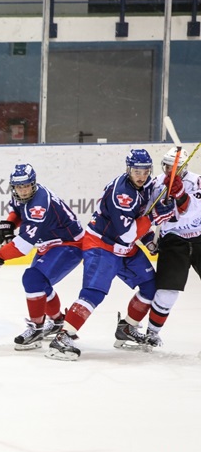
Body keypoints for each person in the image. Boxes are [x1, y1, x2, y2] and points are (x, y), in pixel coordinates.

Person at [46, 149, 178, 361]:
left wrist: (149, 240)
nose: (141, 176)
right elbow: (127, 233)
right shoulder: (122, 194)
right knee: (93, 293)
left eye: (145, 171)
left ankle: (127, 328)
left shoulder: (146, 186)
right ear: (128, 169)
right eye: (137, 171)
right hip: (102, 245)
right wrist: (154, 217)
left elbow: (138, 218)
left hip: (124, 247)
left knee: (150, 286)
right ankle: (63, 337)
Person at [0, 164, 84, 350]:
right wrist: (9, 224)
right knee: (40, 284)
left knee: (32, 279)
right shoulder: (23, 195)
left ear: (33, 184)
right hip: (50, 243)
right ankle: (57, 321)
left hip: (69, 243)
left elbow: (23, 246)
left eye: (26, 186)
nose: (23, 190)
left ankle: (36, 329)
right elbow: (18, 209)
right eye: (18, 187)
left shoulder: (39, 205)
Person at [143, 147, 198, 345]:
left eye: (173, 167)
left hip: (199, 237)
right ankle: (152, 333)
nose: (169, 170)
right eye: (166, 166)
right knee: (167, 291)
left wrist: (180, 194)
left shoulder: (197, 181)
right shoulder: (155, 184)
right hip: (173, 241)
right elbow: (144, 216)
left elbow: (191, 211)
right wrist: (149, 239)